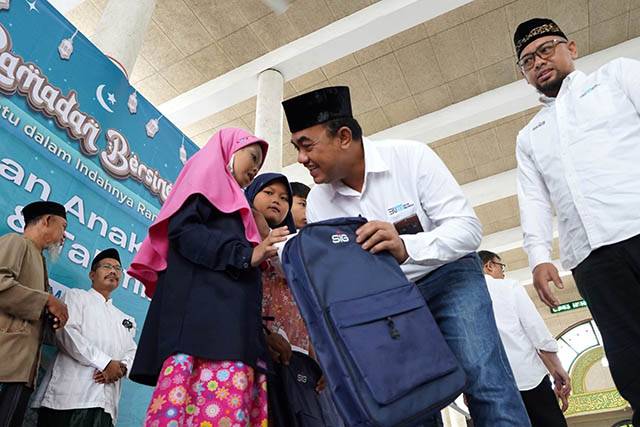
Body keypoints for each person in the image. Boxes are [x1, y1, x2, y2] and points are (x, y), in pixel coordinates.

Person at [282, 86, 530, 426]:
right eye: (296, 148)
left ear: (344, 137)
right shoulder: (319, 203)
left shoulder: (411, 157)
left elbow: (468, 229)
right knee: (407, 400)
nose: (301, 159)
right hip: (385, 302)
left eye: (307, 145)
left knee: (483, 377)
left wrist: (406, 246)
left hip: (449, 277)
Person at [513, 18, 640, 423]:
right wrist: (538, 257)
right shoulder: (530, 135)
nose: (538, 62)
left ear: (571, 48)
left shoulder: (616, 77)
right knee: (630, 359)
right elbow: (534, 200)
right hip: (591, 259)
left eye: (545, 50)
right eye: (527, 61)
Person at [127, 128, 289, 427]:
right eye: (253, 157)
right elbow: (184, 233)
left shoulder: (238, 205)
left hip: (232, 333)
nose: (255, 168)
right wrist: (245, 255)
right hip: (204, 334)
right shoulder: (203, 185)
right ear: (230, 150)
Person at [32, 248, 137, 426]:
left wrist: (121, 368)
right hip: (69, 399)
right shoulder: (76, 296)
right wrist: (105, 363)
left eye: (118, 268)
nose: (113, 271)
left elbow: (133, 352)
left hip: (106, 405)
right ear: (92, 274)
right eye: (107, 266)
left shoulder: (126, 319)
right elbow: (67, 334)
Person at [479, 250, 570, 426]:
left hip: (488, 387)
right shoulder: (508, 287)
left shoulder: (461, 297)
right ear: (489, 266)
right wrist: (556, 367)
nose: (503, 274)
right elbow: (535, 329)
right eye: (501, 268)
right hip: (528, 379)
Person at [0, 201, 69, 427]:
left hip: (22, 372)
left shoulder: (39, 260)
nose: (64, 236)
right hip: (5, 365)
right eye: (63, 227)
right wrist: (47, 300)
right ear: (47, 220)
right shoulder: (16, 242)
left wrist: (51, 319)